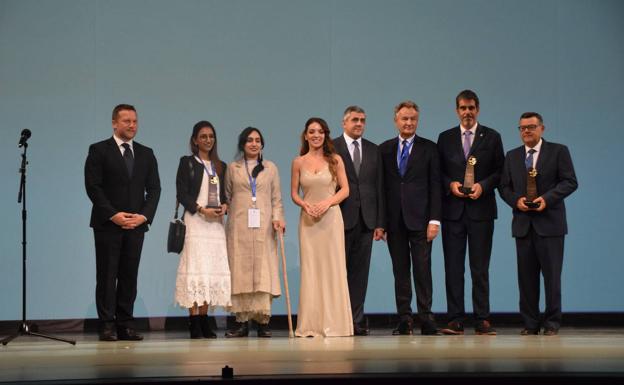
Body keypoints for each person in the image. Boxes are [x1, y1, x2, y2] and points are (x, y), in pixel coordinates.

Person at [84, 104, 161, 341]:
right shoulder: (99, 150)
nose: (132, 125)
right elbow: (93, 187)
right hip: (108, 225)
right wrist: (113, 214)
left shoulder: (146, 153)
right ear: (114, 123)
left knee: (129, 275)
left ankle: (125, 323)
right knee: (107, 276)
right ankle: (107, 324)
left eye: (135, 121)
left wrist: (144, 216)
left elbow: (154, 188)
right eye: (126, 121)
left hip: (136, 225)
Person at [500, 112, 577, 336]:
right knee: (526, 279)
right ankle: (530, 323)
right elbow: (504, 187)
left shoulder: (558, 151)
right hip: (523, 225)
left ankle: (552, 323)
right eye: (522, 127)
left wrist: (548, 199)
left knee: (552, 278)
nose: (527, 131)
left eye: (531, 126)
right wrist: (516, 201)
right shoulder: (512, 156)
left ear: (542, 128)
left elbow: (570, 181)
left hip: (550, 225)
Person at [437, 90, 504, 335]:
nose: (467, 112)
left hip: (481, 211)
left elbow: (500, 171)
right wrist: (450, 185)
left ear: (478, 109)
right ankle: (455, 318)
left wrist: (483, 186)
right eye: (463, 108)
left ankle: (482, 319)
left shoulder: (492, 137)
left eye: (472, 107)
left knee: (480, 267)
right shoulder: (445, 138)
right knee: (453, 267)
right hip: (453, 213)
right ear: (456, 110)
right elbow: (439, 171)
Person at [379, 100, 441, 336]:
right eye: (404, 118)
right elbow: (381, 188)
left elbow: (436, 186)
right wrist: (381, 223)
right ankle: (404, 318)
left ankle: (426, 317)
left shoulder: (430, 148)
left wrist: (435, 220)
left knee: (423, 270)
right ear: (396, 120)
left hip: (422, 221)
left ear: (418, 120)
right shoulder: (384, 149)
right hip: (394, 222)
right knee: (400, 271)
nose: (409, 122)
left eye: (413, 118)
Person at [291, 117, 353, 337]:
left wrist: (327, 202)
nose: (316, 135)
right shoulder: (298, 162)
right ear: (305, 135)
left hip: (331, 219)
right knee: (311, 270)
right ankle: (311, 325)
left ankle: (335, 324)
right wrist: (305, 205)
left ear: (325, 135)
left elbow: (345, 189)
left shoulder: (335, 159)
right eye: (312, 131)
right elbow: (294, 194)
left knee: (333, 269)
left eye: (320, 131)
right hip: (308, 222)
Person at [225, 127, 285, 338]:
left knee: (263, 270)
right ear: (243, 144)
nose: (253, 144)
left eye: (257, 140)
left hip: (264, 226)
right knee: (240, 270)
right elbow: (227, 196)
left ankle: (262, 322)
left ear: (262, 144)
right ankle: (241, 321)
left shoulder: (270, 168)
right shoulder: (233, 168)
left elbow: (276, 198)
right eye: (249, 140)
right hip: (239, 226)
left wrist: (278, 218)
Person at [174, 121, 231, 339]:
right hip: (196, 221)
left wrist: (225, 206)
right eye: (203, 136)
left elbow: (224, 195)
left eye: (211, 136)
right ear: (195, 140)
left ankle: (205, 321)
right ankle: (194, 322)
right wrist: (200, 209)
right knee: (196, 269)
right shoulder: (187, 162)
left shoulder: (220, 165)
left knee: (209, 270)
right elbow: (182, 193)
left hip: (215, 225)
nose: (208, 140)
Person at [333, 106, 385, 336]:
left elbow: (380, 188)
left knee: (359, 273)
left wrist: (380, 223)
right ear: (344, 123)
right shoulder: (332, 147)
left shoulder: (374, 150)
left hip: (367, 220)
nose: (359, 124)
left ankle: (356, 319)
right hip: (339, 218)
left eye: (363, 120)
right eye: (355, 120)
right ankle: (337, 319)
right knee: (338, 272)